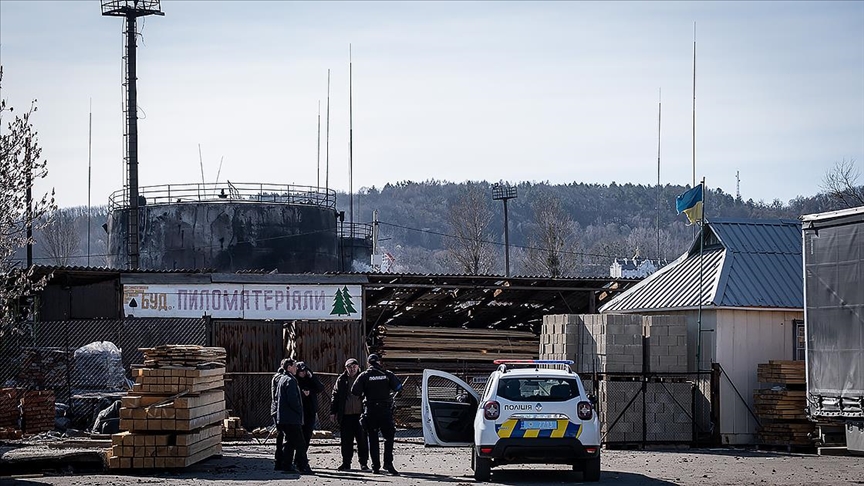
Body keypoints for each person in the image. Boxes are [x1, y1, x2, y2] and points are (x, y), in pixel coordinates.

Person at [351, 353, 403, 475]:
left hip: (371, 411)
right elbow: (399, 387)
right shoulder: (387, 374)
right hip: (385, 411)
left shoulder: (364, 375)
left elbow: (354, 391)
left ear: (368, 363)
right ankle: (388, 464)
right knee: (388, 438)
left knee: (373, 439)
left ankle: (375, 467)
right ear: (379, 362)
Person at [329, 357, 370, 472]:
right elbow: (335, 396)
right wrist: (333, 412)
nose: (352, 369)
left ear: (358, 367)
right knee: (346, 441)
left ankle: (363, 463)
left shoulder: (363, 378)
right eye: (349, 367)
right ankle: (346, 463)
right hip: (346, 415)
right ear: (346, 368)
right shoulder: (341, 380)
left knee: (362, 440)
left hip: (360, 415)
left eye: (354, 367)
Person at [275, 359, 313, 474]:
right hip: (291, 418)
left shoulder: (283, 379)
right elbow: (293, 400)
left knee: (290, 442)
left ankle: (286, 465)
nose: (296, 368)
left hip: (284, 417)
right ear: (289, 367)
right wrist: (299, 410)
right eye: (295, 366)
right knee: (300, 443)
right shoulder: (290, 381)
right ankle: (303, 466)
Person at [295, 361, 325, 449]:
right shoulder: (295, 380)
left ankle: (303, 454)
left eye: (304, 371)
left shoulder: (310, 379)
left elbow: (320, 387)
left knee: (307, 433)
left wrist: (312, 377)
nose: (303, 373)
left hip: (310, 410)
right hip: (299, 411)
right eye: (301, 371)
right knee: (298, 434)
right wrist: (303, 394)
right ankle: (298, 455)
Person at [270, 359, 288, 471]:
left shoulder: (277, 377)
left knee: (281, 435)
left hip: (277, 409)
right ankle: (281, 460)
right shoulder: (280, 377)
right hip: (279, 410)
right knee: (282, 435)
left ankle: (280, 460)